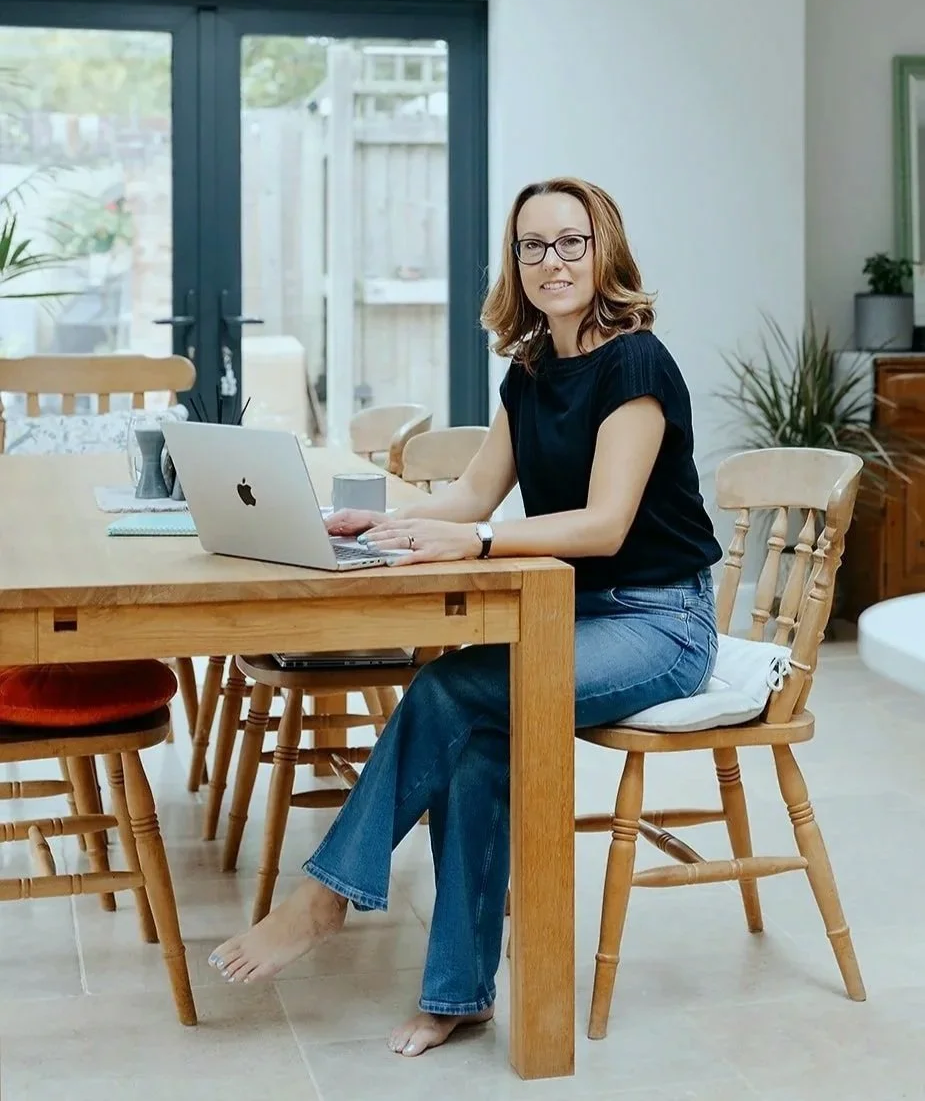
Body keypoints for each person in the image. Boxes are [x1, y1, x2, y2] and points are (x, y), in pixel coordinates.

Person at [210, 176, 722, 1057]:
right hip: (575, 612)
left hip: (658, 623)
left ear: (604, 253)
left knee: (451, 688)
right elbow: (480, 489)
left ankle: (325, 897)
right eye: (532, 246)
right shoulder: (529, 370)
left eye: (570, 242)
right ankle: (457, 993)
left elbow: (603, 524)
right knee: (482, 735)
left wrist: (478, 544)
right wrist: (390, 521)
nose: (551, 261)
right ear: (514, 263)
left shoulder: (637, 362)